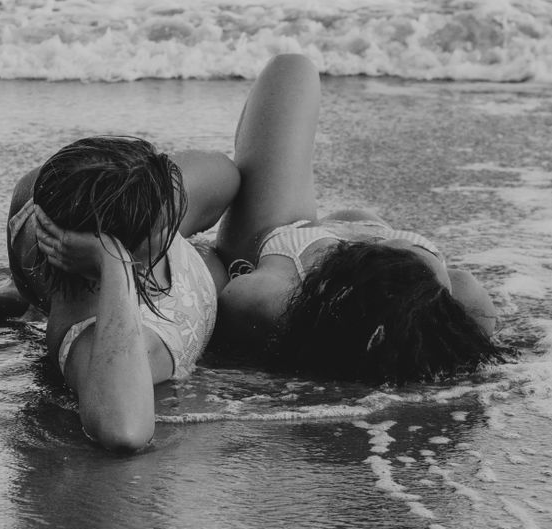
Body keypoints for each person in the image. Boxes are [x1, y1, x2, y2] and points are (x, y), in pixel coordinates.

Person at [214, 53, 505, 382]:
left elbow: (215, 298)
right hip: (389, 301)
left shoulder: (265, 300)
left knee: (292, 70)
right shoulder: (468, 306)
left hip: (283, 236)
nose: (366, 244)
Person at [0, 135, 239, 451]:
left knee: (222, 173)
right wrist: (114, 263)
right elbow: (125, 432)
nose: (175, 206)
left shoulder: (148, 221)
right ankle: (25, 287)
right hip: (65, 258)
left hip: (52, 215)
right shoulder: (92, 338)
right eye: (165, 225)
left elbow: (224, 172)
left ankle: (21, 284)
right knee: (214, 262)